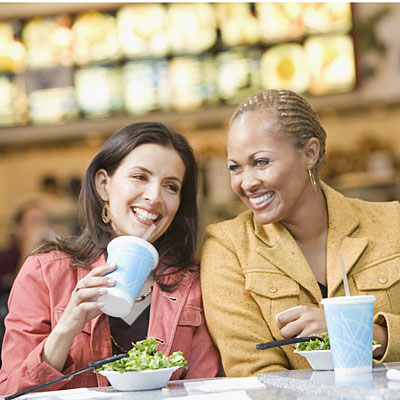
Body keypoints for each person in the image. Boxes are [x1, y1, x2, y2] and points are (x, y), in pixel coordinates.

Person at [0, 122, 220, 395]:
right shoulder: (45, 273)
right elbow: (11, 390)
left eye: (171, 187)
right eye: (140, 177)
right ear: (104, 184)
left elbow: (207, 390)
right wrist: (67, 327)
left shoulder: (195, 284)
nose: (154, 196)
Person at [201, 89, 400, 377]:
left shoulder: (391, 221)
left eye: (261, 162)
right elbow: (255, 373)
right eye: (235, 168)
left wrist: (363, 333)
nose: (247, 182)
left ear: (310, 153)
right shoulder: (228, 246)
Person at [0, 202, 54, 367]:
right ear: (18, 229)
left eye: (44, 222)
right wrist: (30, 246)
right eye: (35, 222)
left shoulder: (53, 259)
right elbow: (15, 293)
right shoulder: (5, 258)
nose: (41, 227)